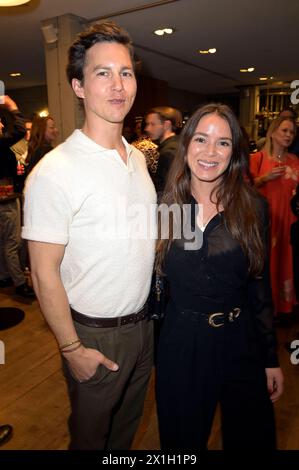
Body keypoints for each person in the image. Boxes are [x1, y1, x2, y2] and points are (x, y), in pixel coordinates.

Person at [22, 21, 156, 450]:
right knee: (90, 438)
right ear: (79, 86)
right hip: (94, 335)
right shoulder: (55, 171)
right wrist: (71, 348)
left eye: (126, 72)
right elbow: (43, 274)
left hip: (143, 327)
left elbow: (143, 233)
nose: (118, 85)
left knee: (124, 432)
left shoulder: (138, 159)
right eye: (103, 73)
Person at [155, 103, 283, 450]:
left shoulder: (252, 207)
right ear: (186, 145)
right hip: (182, 343)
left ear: (234, 152)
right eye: (201, 138)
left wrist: (270, 358)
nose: (210, 152)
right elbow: (158, 284)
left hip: (240, 340)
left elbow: (259, 286)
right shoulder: (169, 207)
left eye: (223, 142)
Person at [250, 116, 299, 316]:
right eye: (284, 130)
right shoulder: (257, 159)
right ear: (273, 132)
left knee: (288, 262)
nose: (288, 135)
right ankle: (268, 309)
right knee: (268, 264)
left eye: (292, 132)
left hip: (291, 221)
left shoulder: (295, 160)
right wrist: (264, 178)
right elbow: (244, 190)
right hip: (267, 220)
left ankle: (286, 306)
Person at [0, 95, 35, 298]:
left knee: (4, 241)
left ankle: (4, 276)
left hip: (10, 192)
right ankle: (20, 283)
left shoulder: (8, 147)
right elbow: (21, 131)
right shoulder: (3, 144)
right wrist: (13, 108)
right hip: (6, 195)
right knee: (13, 242)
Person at [145, 106, 182, 193]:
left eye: (152, 124)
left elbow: (169, 192)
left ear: (166, 125)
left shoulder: (169, 152)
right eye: (147, 124)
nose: (147, 129)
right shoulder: (178, 144)